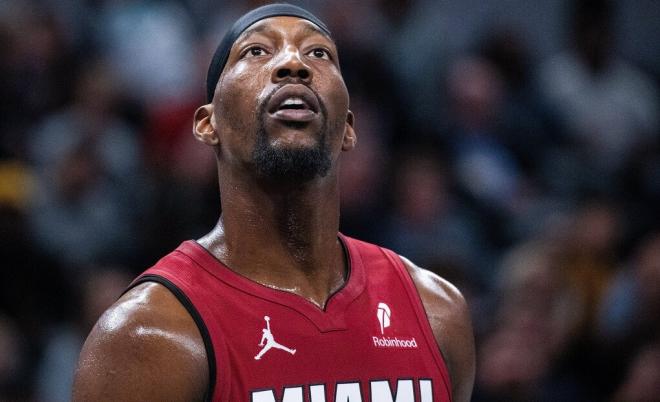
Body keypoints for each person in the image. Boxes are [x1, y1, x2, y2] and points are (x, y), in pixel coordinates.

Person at [72, 4, 475, 402]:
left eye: (319, 53)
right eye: (257, 51)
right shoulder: (149, 336)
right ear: (207, 124)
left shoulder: (436, 312)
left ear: (348, 129)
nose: (293, 64)